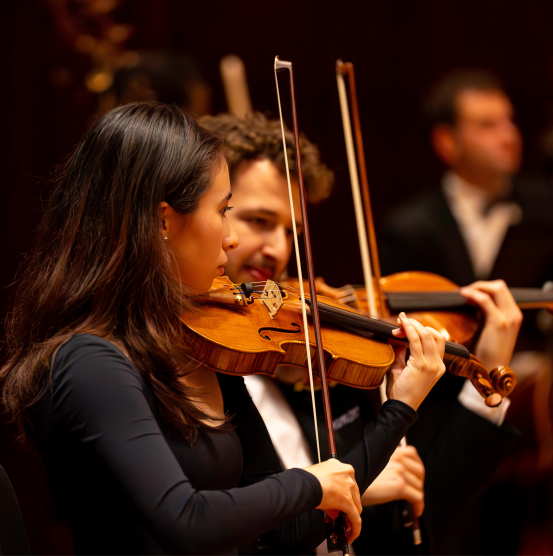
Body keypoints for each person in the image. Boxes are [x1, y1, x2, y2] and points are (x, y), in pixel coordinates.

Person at [0, 102, 449, 555]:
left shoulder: (202, 345)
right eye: (224, 210)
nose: (230, 238)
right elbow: (187, 522)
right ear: (163, 220)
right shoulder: (90, 362)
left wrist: (400, 408)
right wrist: (308, 483)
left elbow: (284, 535)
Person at [201, 111, 523, 554]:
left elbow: (409, 535)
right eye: (259, 221)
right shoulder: (182, 366)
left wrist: (483, 389)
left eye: (291, 231)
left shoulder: (310, 360)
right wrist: (342, 488)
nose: (278, 249)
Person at [381, 70, 553, 285]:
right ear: (447, 142)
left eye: (510, 121)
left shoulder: (551, 205)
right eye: (487, 125)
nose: (509, 137)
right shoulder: (410, 231)